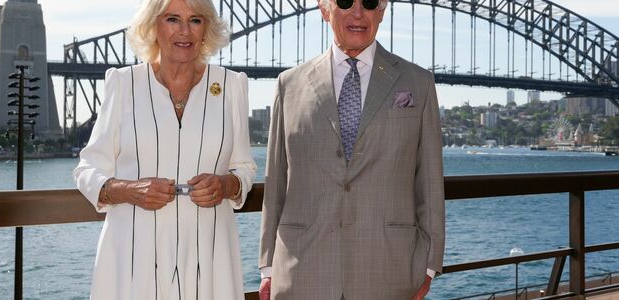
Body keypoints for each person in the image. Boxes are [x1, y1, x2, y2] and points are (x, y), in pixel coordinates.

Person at [258, 0, 445, 298]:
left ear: (381, 12)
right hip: (302, 270)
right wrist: (268, 267)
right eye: (345, 2)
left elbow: (430, 181)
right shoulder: (288, 85)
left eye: (369, 3)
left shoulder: (418, 83)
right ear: (324, 10)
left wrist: (429, 265)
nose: (358, 13)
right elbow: (276, 181)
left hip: (391, 270)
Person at [73, 0, 256, 298]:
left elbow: (245, 169)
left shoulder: (231, 86)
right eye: (173, 19)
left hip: (209, 257)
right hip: (134, 257)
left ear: (206, 29)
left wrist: (225, 185)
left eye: (195, 20)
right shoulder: (123, 83)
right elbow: (87, 170)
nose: (184, 31)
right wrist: (129, 190)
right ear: (153, 26)